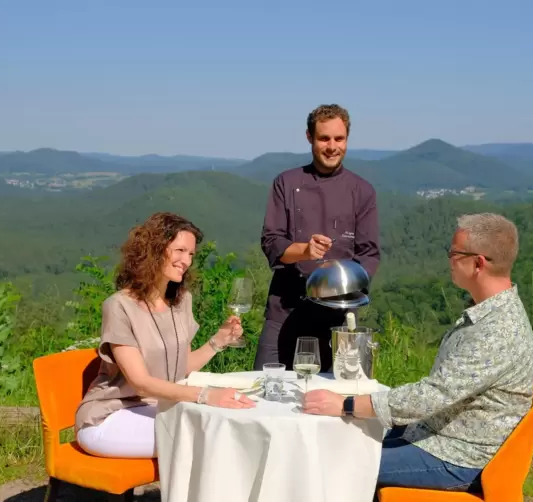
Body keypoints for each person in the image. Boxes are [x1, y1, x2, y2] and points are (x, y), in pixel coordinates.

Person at [303, 213, 533, 493]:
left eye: (454, 253)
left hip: (456, 456)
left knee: (338, 464)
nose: (449, 259)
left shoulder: (498, 331)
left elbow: (431, 396)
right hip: (433, 435)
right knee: (345, 443)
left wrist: (348, 405)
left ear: (478, 263)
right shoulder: (490, 312)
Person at [75, 212, 255, 459]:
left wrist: (218, 341)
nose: (186, 260)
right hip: (110, 417)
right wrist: (205, 395)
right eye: (179, 250)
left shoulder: (182, 302)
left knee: (226, 427)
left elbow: (180, 368)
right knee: (206, 440)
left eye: (191, 254)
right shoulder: (119, 306)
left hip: (156, 408)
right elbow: (141, 382)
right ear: (155, 250)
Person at [254, 104, 381, 372]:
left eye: (339, 138)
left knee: (333, 399)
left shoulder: (362, 191)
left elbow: (369, 254)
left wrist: (345, 284)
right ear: (309, 137)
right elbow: (272, 241)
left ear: (347, 139)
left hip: (338, 317)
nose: (332, 146)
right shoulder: (286, 183)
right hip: (284, 310)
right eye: (324, 138)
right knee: (268, 388)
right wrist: (304, 250)